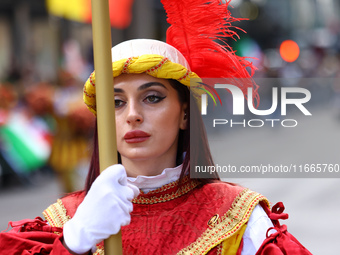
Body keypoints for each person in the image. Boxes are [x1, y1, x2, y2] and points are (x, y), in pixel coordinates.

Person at [0, 1, 312, 254]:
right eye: (116, 102)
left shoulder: (241, 220)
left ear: (185, 113)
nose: (133, 115)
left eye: (152, 97)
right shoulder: (63, 221)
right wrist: (72, 242)